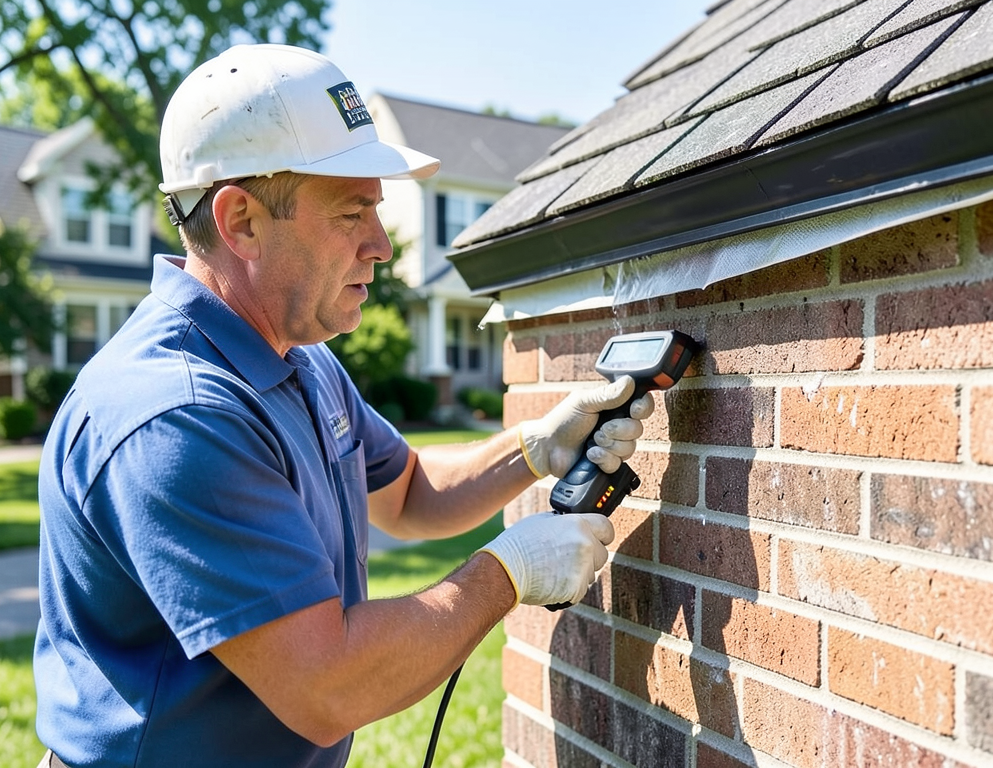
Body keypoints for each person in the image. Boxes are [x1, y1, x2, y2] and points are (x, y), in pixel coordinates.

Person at [33, 44, 654, 768]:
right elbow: (327, 686)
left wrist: (535, 448)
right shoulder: (176, 415)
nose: (382, 245)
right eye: (352, 212)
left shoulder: (300, 358)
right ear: (241, 222)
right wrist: (505, 574)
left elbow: (409, 493)